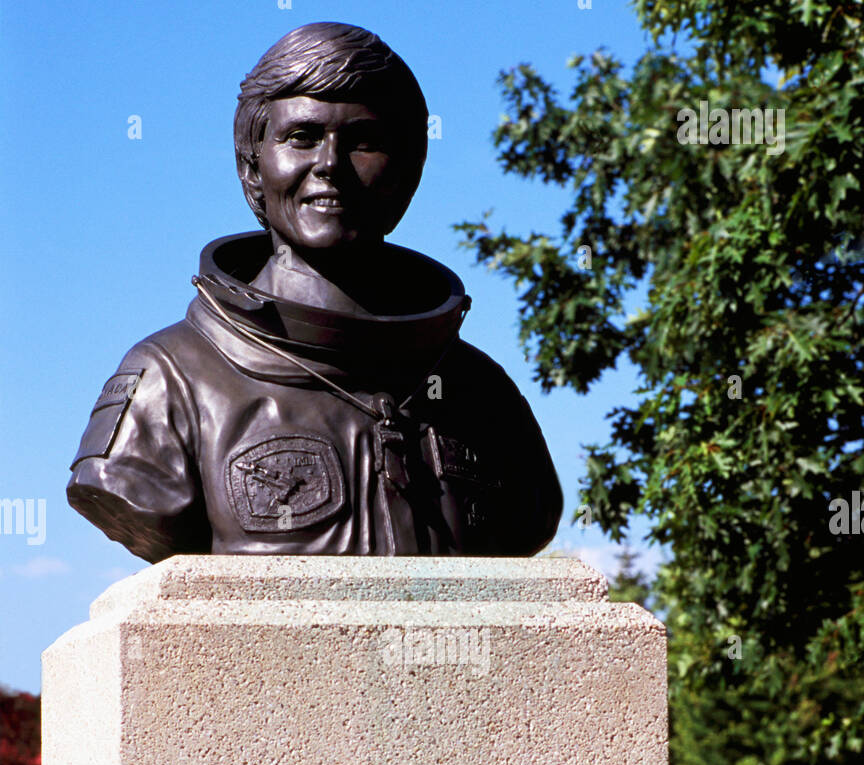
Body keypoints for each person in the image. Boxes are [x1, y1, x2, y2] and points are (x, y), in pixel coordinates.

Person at [68, 23, 563, 559]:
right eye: (302, 137)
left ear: (411, 169)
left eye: (365, 142)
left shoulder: (481, 394)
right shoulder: (170, 380)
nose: (330, 166)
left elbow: (528, 524)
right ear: (251, 165)